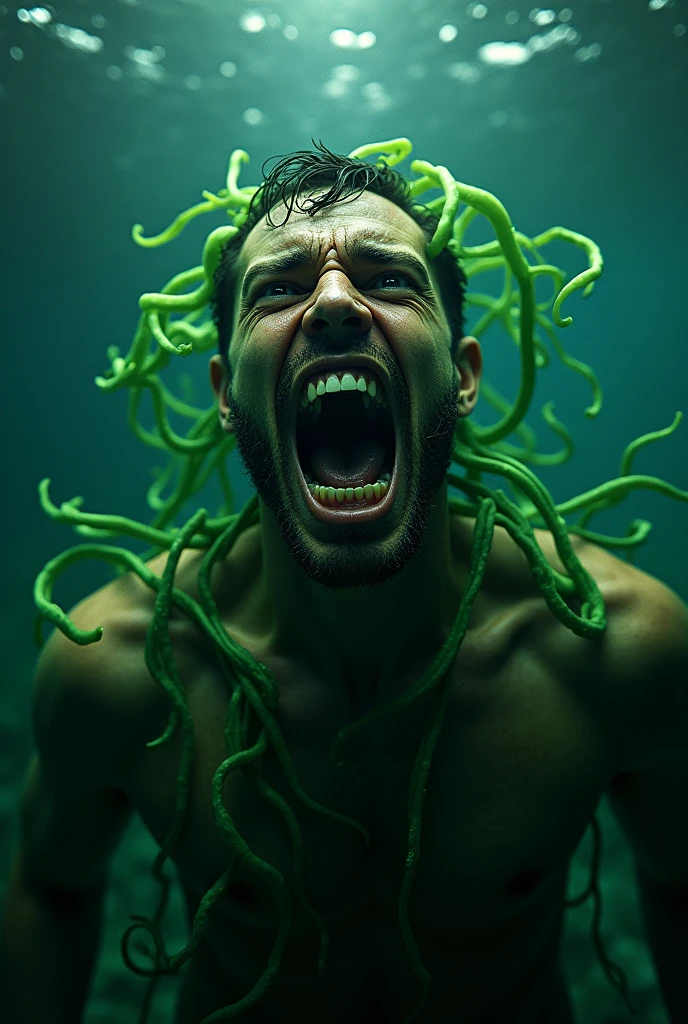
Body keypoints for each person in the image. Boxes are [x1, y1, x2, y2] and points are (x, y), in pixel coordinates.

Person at [2, 143, 687, 1024]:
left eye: (390, 281)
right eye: (278, 289)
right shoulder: (119, 671)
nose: (332, 301)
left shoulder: (617, 649)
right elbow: (50, 887)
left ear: (465, 375)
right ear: (224, 391)